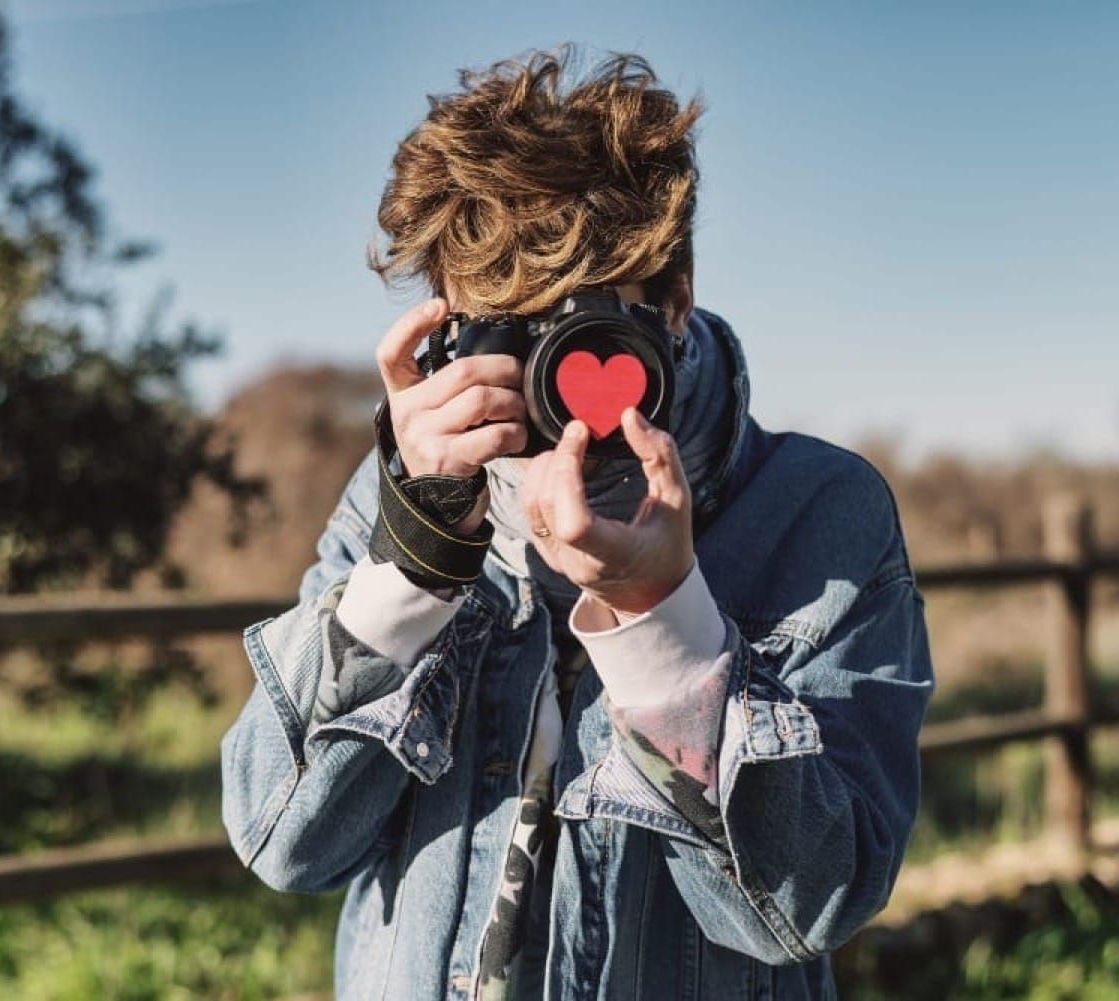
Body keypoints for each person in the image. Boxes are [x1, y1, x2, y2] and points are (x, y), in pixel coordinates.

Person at [220, 43, 934, 1001]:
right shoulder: (398, 494)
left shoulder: (819, 514)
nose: (553, 383)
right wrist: (412, 564)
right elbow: (282, 839)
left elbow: (813, 904)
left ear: (674, 299)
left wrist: (664, 623)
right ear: (444, 335)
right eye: (505, 333)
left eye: (581, 328)